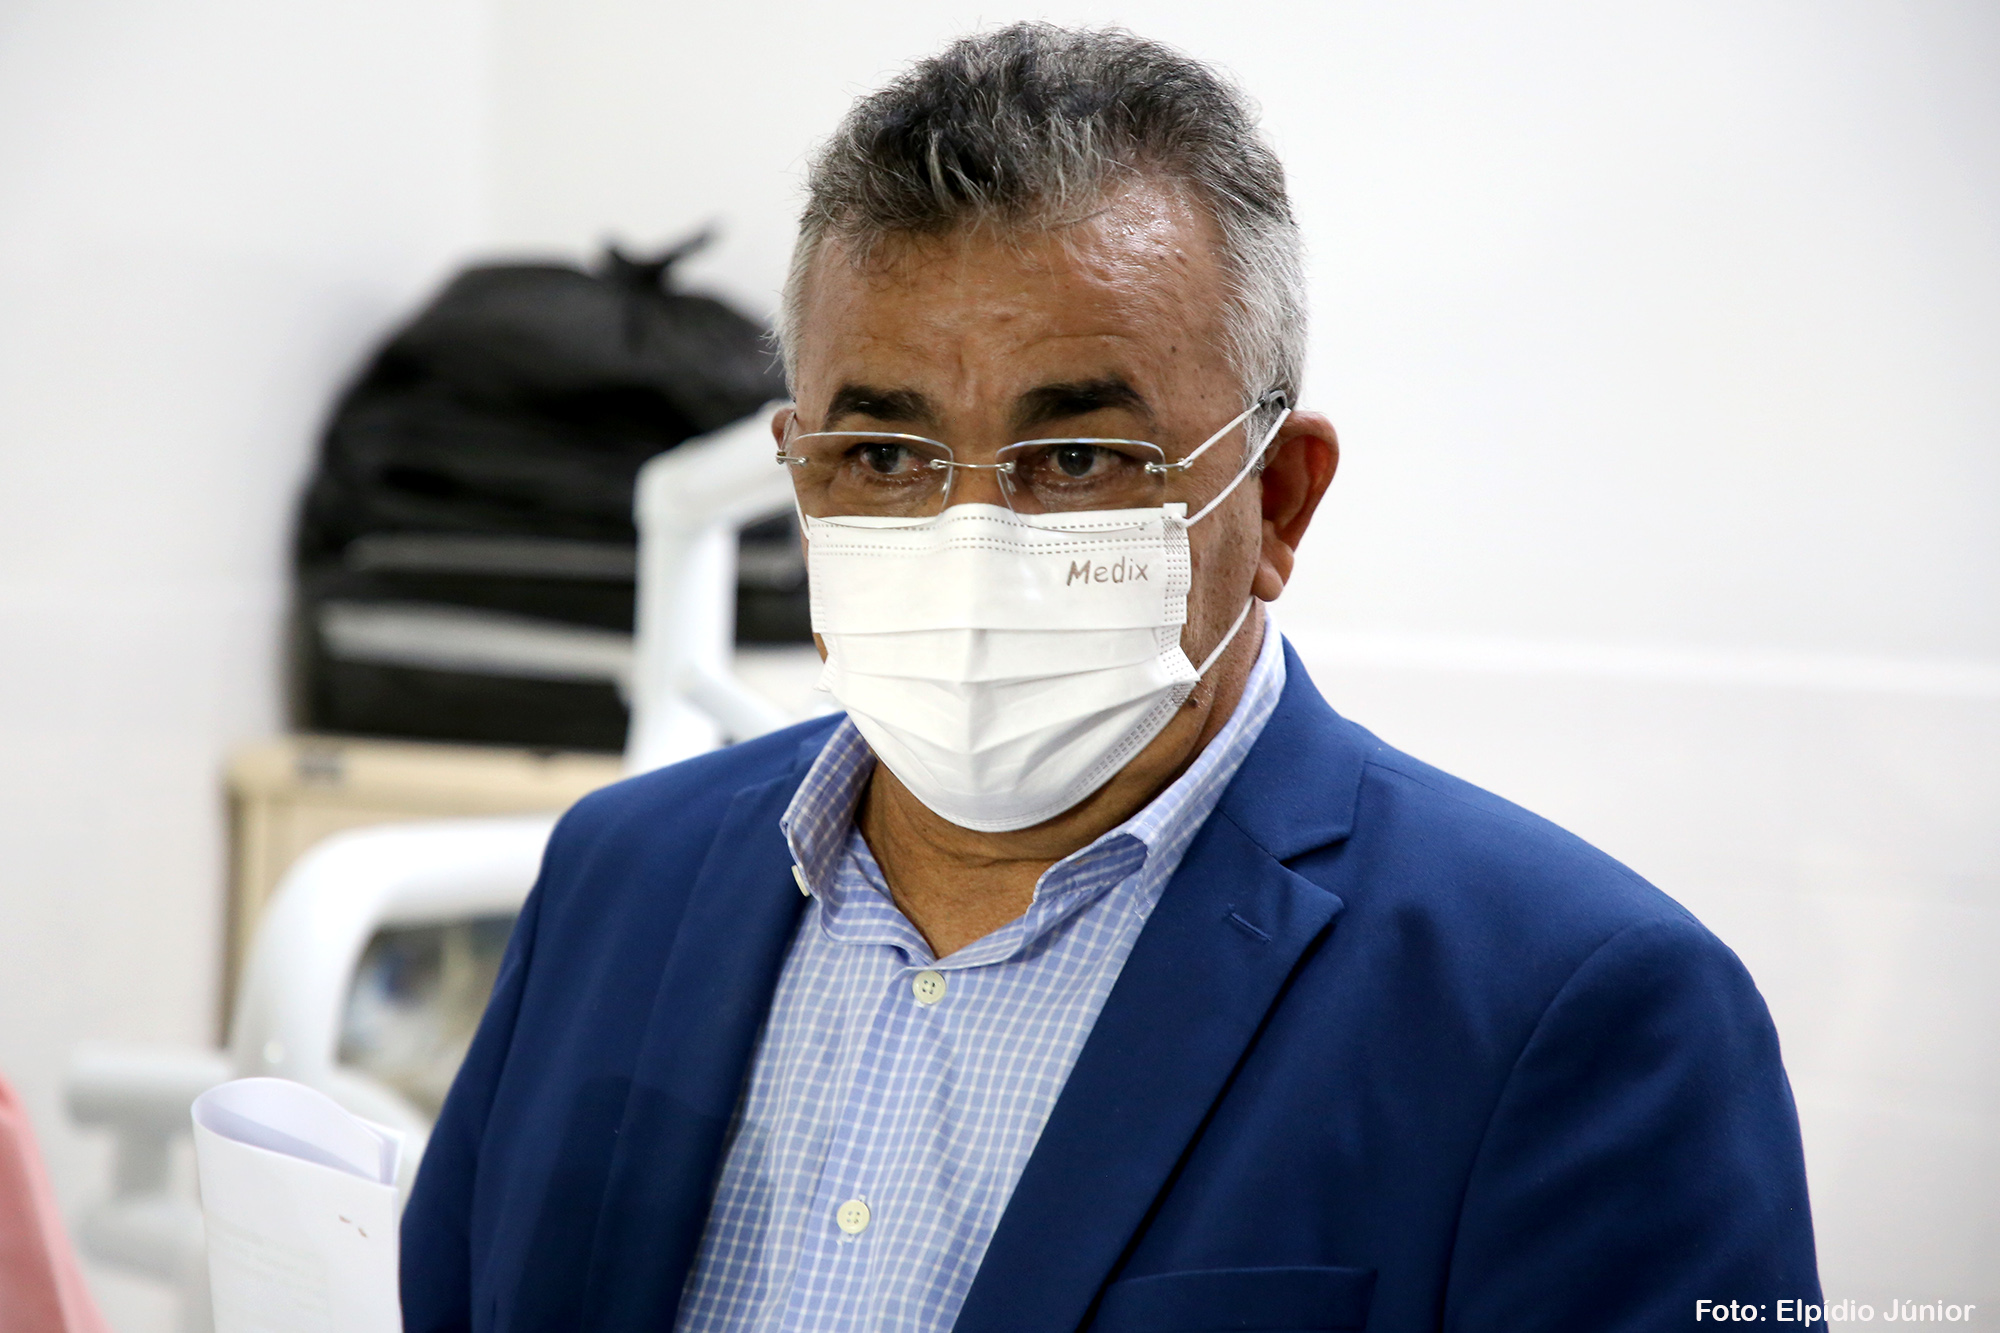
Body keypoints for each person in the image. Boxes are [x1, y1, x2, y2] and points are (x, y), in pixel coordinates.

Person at [401, 23, 1822, 1333]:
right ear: (799, 472)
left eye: (1077, 458)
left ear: (1276, 501)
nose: (970, 542)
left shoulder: (1572, 1009)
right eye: (884, 456)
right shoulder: (619, 880)